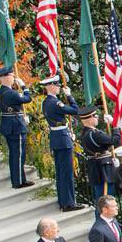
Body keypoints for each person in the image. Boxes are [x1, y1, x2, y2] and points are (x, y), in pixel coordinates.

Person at [40, 77, 84, 211]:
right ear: (50, 87)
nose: (58, 87)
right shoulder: (54, 102)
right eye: (56, 85)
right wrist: (69, 96)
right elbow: (75, 110)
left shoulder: (46, 102)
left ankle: (64, 201)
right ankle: (68, 203)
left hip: (56, 137)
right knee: (66, 173)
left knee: (61, 173)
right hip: (63, 139)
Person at [0, 66, 33, 188]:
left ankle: (18, 179)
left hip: (8, 124)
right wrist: (24, 87)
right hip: (16, 125)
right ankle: (18, 181)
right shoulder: (11, 93)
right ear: (5, 78)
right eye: (11, 75)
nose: (13, 78)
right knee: (19, 154)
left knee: (14, 154)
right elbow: (28, 98)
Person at [78, 106, 117, 201]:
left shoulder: (84, 133)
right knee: (106, 200)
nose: (97, 118)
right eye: (95, 116)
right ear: (90, 118)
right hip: (103, 170)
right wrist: (115, 125)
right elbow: (116, 140)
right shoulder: (95, 134)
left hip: (96, 168)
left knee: (101, 200)